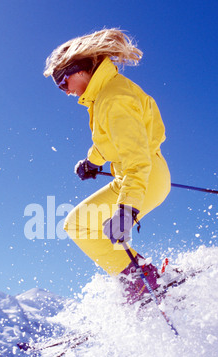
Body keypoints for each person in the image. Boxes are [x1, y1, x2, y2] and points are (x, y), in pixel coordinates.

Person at [44, 28, 171, 304]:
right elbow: (108, 142)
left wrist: (127, 209)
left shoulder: (114, 99)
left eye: (63, 83)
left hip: (143, 177)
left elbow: (137, 158)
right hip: (136, 175)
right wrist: (92, 161)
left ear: (79, 70)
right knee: (78, 223)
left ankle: (142, 278)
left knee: (78, 226)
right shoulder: (105, 95)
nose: (65, 92)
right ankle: (143, 276)